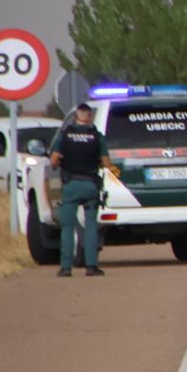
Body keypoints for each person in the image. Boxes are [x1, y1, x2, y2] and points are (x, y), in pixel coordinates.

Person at [48, 102, 117, 277]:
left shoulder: (65, 136)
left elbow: (54, 161)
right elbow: (107, 163)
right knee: (91, 226)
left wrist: (59, 165)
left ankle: (66, 267)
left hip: (71, 185)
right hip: (91, 186)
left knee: (67, 226)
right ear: (90, 117)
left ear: (76, 116)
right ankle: (91, 266)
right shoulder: (97, 137)